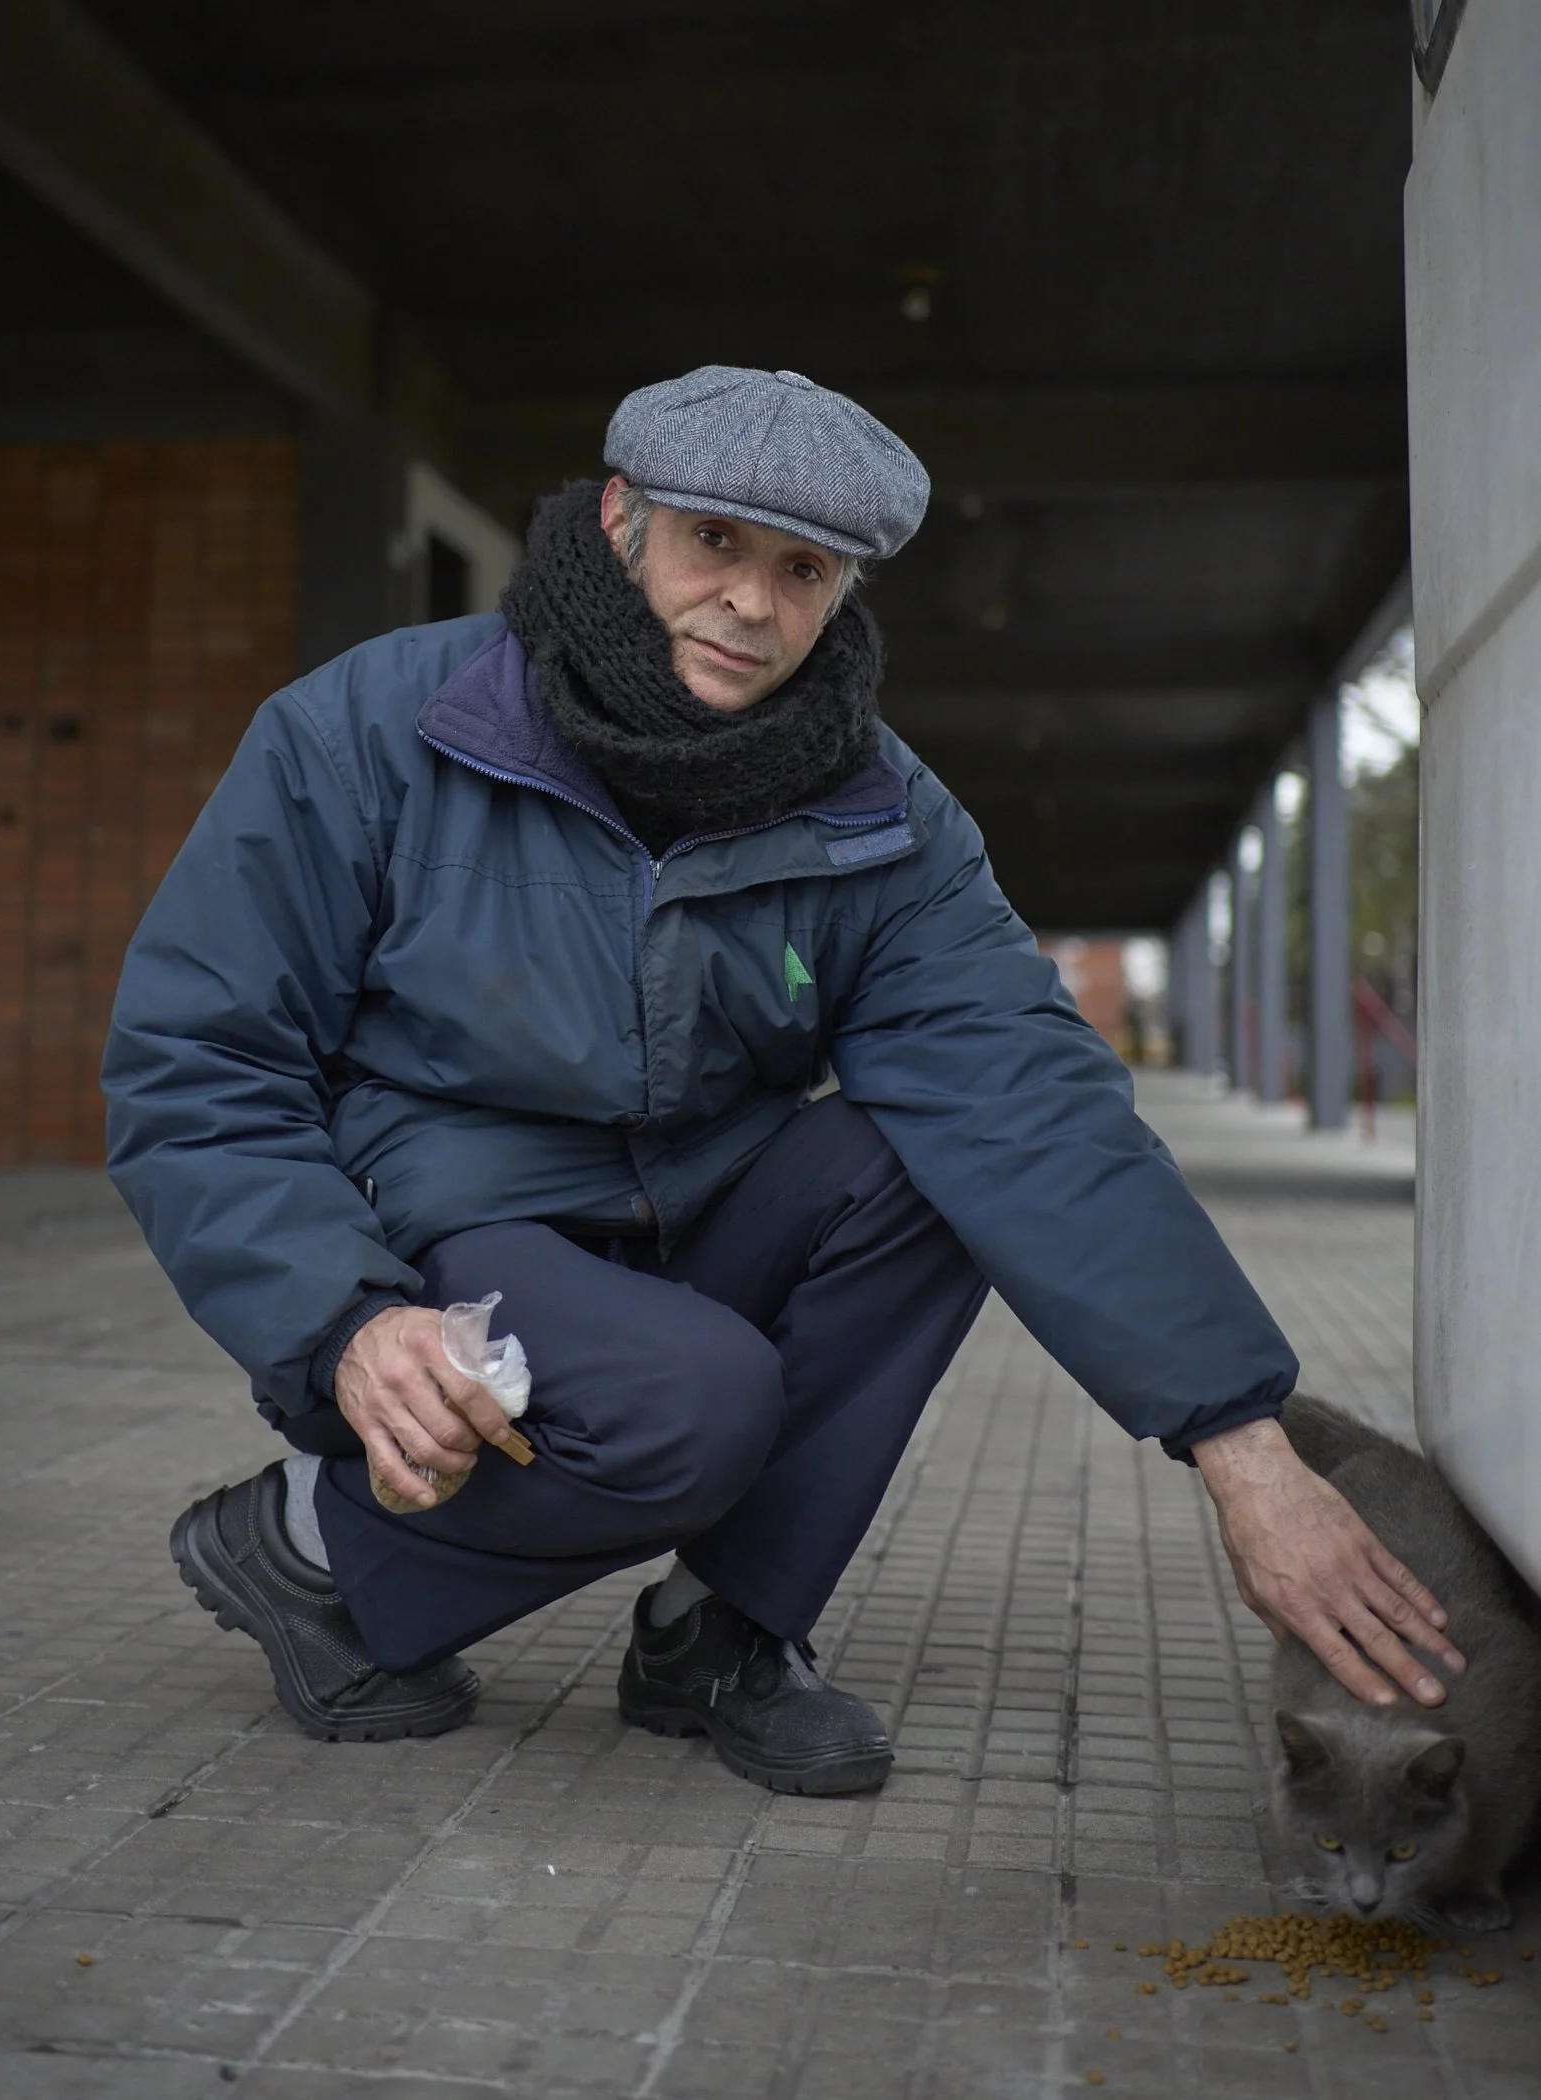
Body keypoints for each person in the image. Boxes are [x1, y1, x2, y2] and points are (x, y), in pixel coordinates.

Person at [103, 365, 1461, 1794]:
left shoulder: (880, 814)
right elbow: (196, 1057)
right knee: (691, 1402)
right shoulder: (373, 731)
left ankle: (723, 1629)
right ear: (623, 518)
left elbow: (1029, 1105)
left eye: (801, 568)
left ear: (843, 592)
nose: (751, 601)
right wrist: (341, 1319)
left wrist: (1241, 1447)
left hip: (686, 1217)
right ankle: (312, 1547)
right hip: (447, 1230)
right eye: (715, 544)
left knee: (932, 1166)